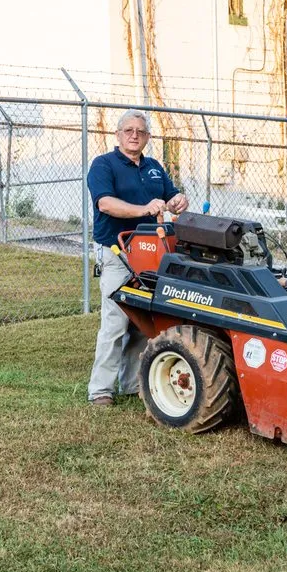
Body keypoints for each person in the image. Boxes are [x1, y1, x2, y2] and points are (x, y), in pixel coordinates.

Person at [85, 109, 188, 406]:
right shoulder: (103, 165)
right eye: (128, 130)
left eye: (140, 132)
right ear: (117, 135)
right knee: (116, 321)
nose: (134, 135)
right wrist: (143, 209)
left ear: (147, 137)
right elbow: (105, 204)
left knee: (143, 321)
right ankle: (101, 390)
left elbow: (170, 199)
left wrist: (178, 200)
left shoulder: (154, 167)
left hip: (151, 255)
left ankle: (131, 384)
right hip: (118, 252)